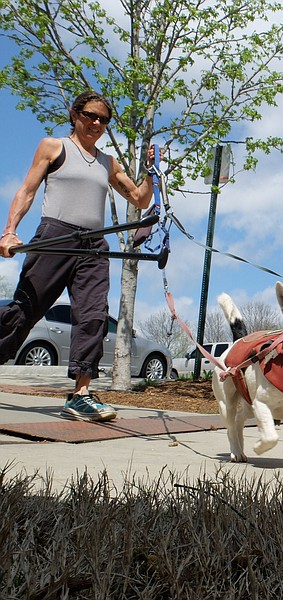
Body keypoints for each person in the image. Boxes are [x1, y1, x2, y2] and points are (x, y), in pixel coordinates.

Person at [0, 91, 155, 422]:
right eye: (89, 115)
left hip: (93, 246)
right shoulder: (53, 147)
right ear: (75, 113)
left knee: (94, 316)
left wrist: (151, 172)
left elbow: (141, 200)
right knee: (25, 310)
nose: (96, 123)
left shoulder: (108, 163)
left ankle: (80, 395)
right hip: (56, 237)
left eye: (103, 119)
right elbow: (27, 190)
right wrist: (10, 230)